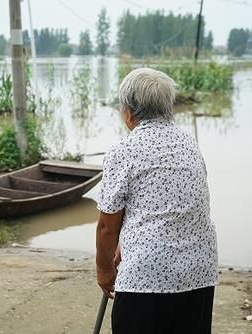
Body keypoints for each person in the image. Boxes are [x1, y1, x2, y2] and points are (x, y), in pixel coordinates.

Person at [95, 68, 218, 334]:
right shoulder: (189, 143)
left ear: (128, 111)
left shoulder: (123, 151)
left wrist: (104, 270)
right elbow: (172, 205)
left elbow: (107, 226)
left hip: (146, 277)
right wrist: (126, 242)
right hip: (198, 272)